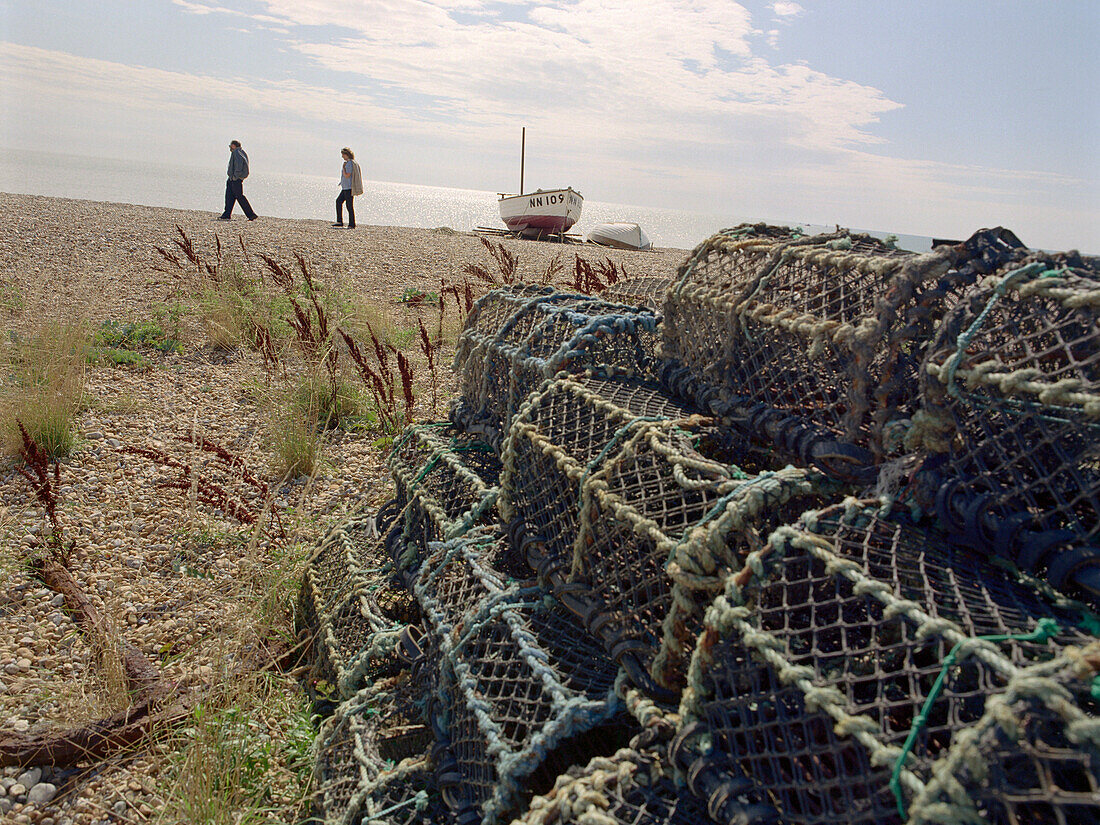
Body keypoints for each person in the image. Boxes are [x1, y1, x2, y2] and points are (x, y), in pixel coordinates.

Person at [218, 140, 258, 221]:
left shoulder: (237, 152)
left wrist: (235, 177)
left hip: (235, 179)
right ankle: (227, 214)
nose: (229, 147)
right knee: (230, 196)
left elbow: (239, 166)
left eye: (230, 146)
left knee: (239, 196)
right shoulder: (241, 152)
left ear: (233, 145)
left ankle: (251, 214)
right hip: (233, 179)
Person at [333, 147, 363, 228]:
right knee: (339, 201)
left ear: (347, 155)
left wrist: (343, 168)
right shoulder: (350, 163)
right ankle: (340, 221)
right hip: (345, 187)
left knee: (349, 205)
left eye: (343, 155)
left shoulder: (349, 163)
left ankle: (351, 224)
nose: (342, 156)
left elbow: (347, 175)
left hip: (348, 187)